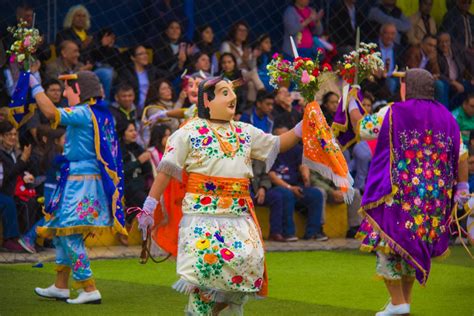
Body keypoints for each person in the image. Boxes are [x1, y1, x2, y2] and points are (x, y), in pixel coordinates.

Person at [137, 76, 304, 315]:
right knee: (204, 277)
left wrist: (301, 127)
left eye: (232, 92)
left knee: (245, 272)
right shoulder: (188, 131)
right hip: (202, 217)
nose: (233, 97)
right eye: (225, 92)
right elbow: (166, 170)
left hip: (239, 218)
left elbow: (276, 143)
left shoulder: (244, 131)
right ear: (207, 99)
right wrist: (149, 205)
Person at [349, 69, 468, 315]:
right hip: (432, 201)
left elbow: (362, 128)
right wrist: (463, 188)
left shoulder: (393, 112)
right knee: (413, 246)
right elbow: (462, 155)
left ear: (408, 87)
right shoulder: (448, 118)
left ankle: (398, 302)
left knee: (388, 244)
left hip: (397, 195)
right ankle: (403, 303)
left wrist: (351, 99)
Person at [29, 71, 126, 304]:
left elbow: (50, 112)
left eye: (68, 89)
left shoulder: (83, 112)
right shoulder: (99, 113)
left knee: (70, 234)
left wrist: (34, 85)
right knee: (62, 232)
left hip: (81, 182)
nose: (63, 94)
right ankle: (61, 286)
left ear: (79, 90)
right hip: (78, 179)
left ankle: (89, 288)